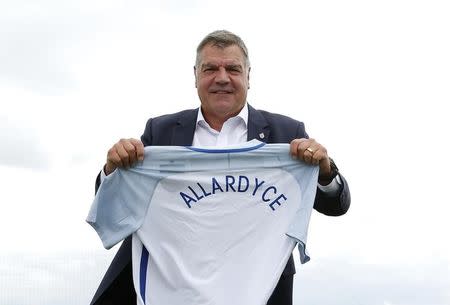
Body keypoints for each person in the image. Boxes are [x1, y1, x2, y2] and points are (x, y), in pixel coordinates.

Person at [90, 30, 351, 305]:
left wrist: (324, 171)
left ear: (249, 76)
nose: (222, 78)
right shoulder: (161, 131)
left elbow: (336, 205)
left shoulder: (286, 133)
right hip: (170, 290)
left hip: (258, 290)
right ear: (195, 76)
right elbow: (114, 201)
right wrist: (112, 170)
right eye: (211, 68)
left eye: (233, 69)